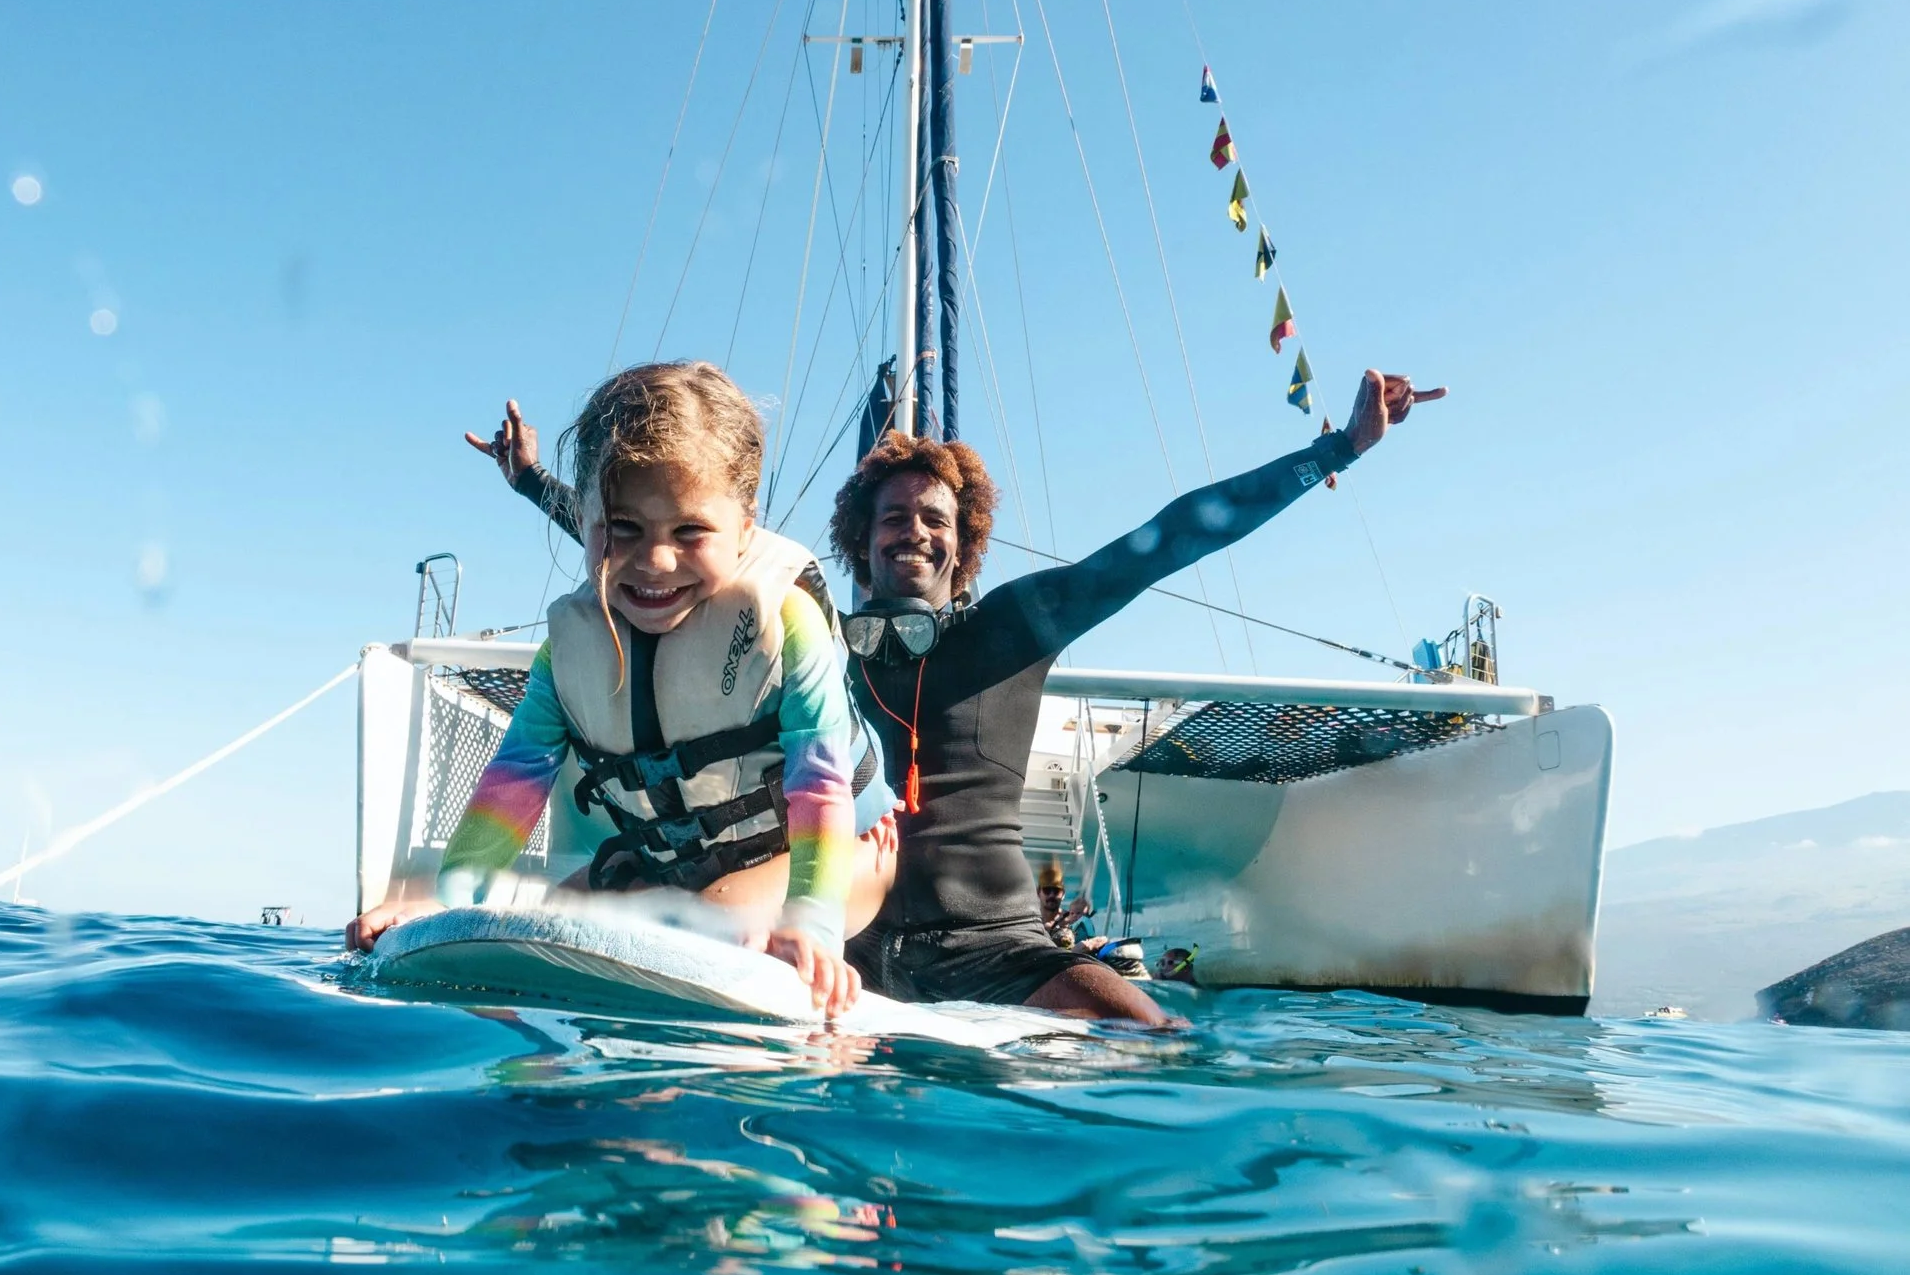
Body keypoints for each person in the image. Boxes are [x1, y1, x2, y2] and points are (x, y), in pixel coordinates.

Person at [471, 369, 1443, 1026]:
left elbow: (1174, 533)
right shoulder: (803, 639)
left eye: (933, 517)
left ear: (963, 535)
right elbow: (660, 550)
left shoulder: (1015, 625)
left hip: (997, 945)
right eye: (891, 515)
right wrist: (534, 485)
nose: (912, 531)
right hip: (841, 937)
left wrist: (1337, 448)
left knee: (1151, 1041)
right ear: (860, 534)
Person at [348, 361, 867, 1013]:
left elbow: (819, 786)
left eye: (690, 531)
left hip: (805, 856)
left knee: (709, 922)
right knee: (527, 937)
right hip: (661, 864)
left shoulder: (787, 624)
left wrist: (812, 925)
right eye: (621, 529)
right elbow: (512, 782)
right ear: (585, 514)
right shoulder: (564, 655)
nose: (653, 562)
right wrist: (448, 901)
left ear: (744, 523)